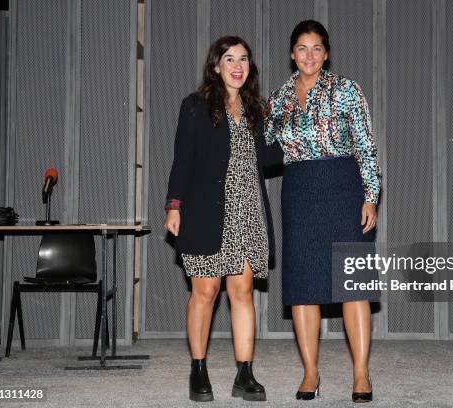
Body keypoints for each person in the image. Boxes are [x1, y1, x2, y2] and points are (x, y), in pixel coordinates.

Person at [264, 20, 382, 403]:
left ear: (326, 53)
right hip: (299, 192)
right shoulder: (278, 97)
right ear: (292, 54)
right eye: (302, 48)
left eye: (316, 48)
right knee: (303, 289)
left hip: (344, 188)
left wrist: (370, 195)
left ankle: (361, 374)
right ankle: (311, 373)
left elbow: (365, 146)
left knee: (353, 286)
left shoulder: (347, 90)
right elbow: (263, 146)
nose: (309, 56)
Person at [164, 36, 280, 403]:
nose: (237, 65)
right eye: (229, 59)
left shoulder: (256, 110)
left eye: (244, 59)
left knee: (242, 292)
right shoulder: (196, 106)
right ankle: (198, 369)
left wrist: (302, 135)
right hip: (204, 209)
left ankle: (245, 373)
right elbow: (182, 159)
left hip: (248, 211)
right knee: (205, 292)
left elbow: (271, 155)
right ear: (216, 66)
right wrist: (174, 204)